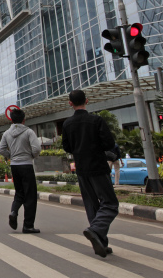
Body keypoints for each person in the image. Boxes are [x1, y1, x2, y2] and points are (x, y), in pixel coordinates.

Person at [62, 90, 119, 258]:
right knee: (110, 203)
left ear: (70, 103)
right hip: (98, 166)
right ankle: (96, 230)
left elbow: (67, 147)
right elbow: (109, 143)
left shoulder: (67, 124)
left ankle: (101, 241)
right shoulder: (96, 120)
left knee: (92, 205)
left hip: (81, 168)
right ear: (87, 100)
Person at [0, 109, 41, 233]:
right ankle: (28, 225)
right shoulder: (28, 132)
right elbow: (36, 148)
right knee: (30, 196)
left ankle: (14, 211)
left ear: (11, 119)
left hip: (14, 166)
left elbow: (1, 150)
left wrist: (11, 156)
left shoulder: (6, 133)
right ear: (24, 119)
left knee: (19, 192)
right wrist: (31, 156)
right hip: (26, 165)